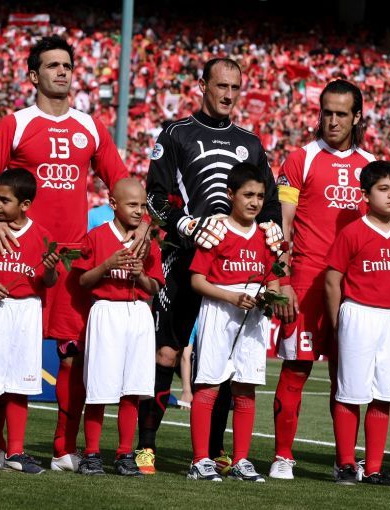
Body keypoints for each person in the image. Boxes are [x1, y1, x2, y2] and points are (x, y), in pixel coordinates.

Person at [0, 35, 139, 472]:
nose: (62, 71)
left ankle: (63, 449)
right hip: (20, 256)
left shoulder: (90, 126)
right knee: (7, 349)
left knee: (72, 354)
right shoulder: (16, 123)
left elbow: (121, 181)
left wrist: (142, 223)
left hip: (72, 261)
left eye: (67, 65)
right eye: (52, 65)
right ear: (33, 75)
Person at [142, 57, 282, 474]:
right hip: (185, 258)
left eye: (235, 88)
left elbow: (269, 201)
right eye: (221, 86)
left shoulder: (250, 142)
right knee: (167, 352)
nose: (228, 95)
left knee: (225, 361)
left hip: (235, 266)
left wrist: (272, 228)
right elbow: (154, 196)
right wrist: (185, 224)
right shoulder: (177, 133)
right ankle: (146, 447)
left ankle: (217, 451)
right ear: (202, 85)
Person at [270, 79, 375, 480]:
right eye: (326, 112)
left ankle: (345, 460)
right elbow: (282, 224)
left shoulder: (370, 166)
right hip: (306, 282)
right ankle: (282, 456)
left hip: (354, 288)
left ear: (356, 117)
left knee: (346, 376)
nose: (332, 120)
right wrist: (281, 281)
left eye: (341, 114)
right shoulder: (301, 159)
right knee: (297, 368)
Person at [325, 161, 390, 487]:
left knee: (383, 393)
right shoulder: (352, 232)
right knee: (351, 392)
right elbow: (332, 281)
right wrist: (338, 322)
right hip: (358, 313)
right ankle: (346, 465)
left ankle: (374, 468)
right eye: (383, 189)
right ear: (365, 194)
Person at [187, 163, 280, 482]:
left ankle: (240, 460)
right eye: (248, 195)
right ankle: (200, 460)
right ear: (231, 194)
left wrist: (269, 297)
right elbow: (197, 280)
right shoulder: (217, 231)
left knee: (245, 388)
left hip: (253, 318)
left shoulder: (267, 236)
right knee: (209, 384)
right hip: (219, 312)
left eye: (260, 196)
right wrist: (231, 297)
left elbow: (274, 280)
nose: (254, 202)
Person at [0, 168, 60, 475]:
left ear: (25, 204)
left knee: (19, 385)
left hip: (26, 312)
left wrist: (50, 269)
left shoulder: (42, 235)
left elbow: (49, 281)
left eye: (4, 200)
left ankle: (15, 451)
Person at [75, 178, 163, 477]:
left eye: (142, 205)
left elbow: (154, 287)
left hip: (138, 313)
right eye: (132, 204)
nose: (139, 211)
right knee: (99, 388)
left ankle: (125, 453)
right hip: (106, 311)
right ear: (113, 204)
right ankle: (91, 453)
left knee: (133, 389)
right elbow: (83, 280)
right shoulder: (97, 236)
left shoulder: (148, 241)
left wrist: (140, 276)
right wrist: (106, 265)